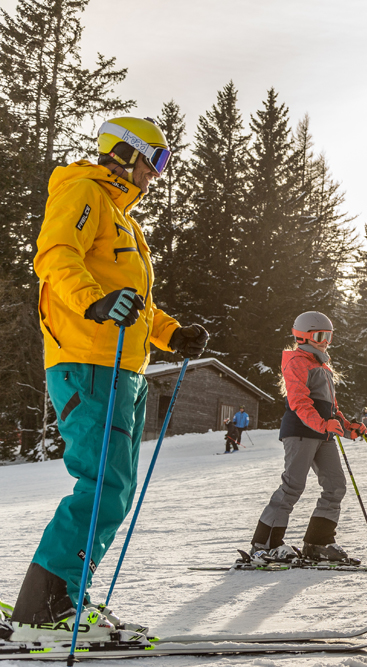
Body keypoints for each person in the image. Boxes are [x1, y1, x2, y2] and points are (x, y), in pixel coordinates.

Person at [5, 117, 209, 644]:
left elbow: (135, 304)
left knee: (112, 488)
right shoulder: (83, 191)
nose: (158, 175)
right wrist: (92, 302)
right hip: (89, 359)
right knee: (103, 486)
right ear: (125, 154)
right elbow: (54, 257)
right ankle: (45, 607)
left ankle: (60, 597)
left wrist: (172, 334)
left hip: (122, 366)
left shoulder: (124, 221)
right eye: (156, 161)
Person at [250, 311, 367, 564]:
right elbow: (300, 403)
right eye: (320, 335)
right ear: (303, 336)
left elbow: (331, 408)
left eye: (329, 336)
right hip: (301, 432)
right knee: (292, 486)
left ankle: (318, 543)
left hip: (322, 433)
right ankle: (264, 545)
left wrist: (349, 428)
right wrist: (324, 424)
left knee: (335, 486)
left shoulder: (322, 367)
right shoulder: (297, 362)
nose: (325, 341)